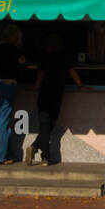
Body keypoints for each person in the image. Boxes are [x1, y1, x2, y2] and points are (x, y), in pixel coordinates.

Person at [28, 33, 83, 166]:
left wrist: (36, 86)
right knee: (50, 123)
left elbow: (40, 74)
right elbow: (72, 71)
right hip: (57, 94)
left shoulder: (44, 57)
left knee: (45, 124)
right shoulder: (63, 57)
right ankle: (44, 156)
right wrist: (80, 85)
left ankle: (36, 147)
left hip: (44, 93)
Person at [0, 23, 26, 165]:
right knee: (3, 122)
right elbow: (23, 64)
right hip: (8, 85)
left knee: (2, 120)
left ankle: (10, 154)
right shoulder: (15, 50)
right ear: (15, 36)